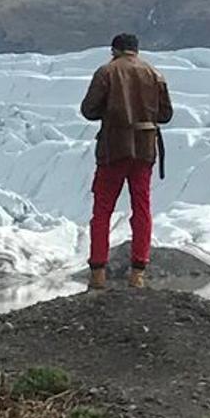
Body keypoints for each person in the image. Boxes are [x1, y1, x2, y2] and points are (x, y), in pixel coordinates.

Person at [79, 31, 172, 290]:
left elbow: (88, 110)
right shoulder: (154, 74)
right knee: (142, 208)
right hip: (144, 149)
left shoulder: (106, 72)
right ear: (136, 50)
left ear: (114, 50)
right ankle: (138, 272)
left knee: (102, 210)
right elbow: (165, 114)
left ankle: (98, 273)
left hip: (113, 148)